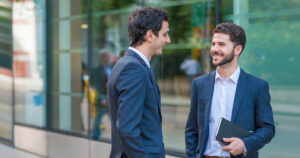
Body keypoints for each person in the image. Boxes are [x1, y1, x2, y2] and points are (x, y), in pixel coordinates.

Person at [185, 22, 275, 158]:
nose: (214, 49)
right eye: (213, 44)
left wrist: (245, 144)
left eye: (221, 44)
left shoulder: (257, 86)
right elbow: (192, 130)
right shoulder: (199, 84)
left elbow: (267, 129)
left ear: (237, 49)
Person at [107, 7, 170, 158]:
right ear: (150, 35)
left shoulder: (127, 64)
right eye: (165, 34)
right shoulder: (133, 68)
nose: (168, 40)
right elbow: (127, 129)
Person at [90, 50, 112, 139]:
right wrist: (102, 99)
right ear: (102, 58)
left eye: (109, 57)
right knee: (98, 119)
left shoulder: (113, 68)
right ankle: (95, 136)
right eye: (106, 57)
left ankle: (119, 137)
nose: (108, 59)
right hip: (102, 100)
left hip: (111, 100)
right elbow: (96, 86)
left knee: (115, 120)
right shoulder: (97, 71)